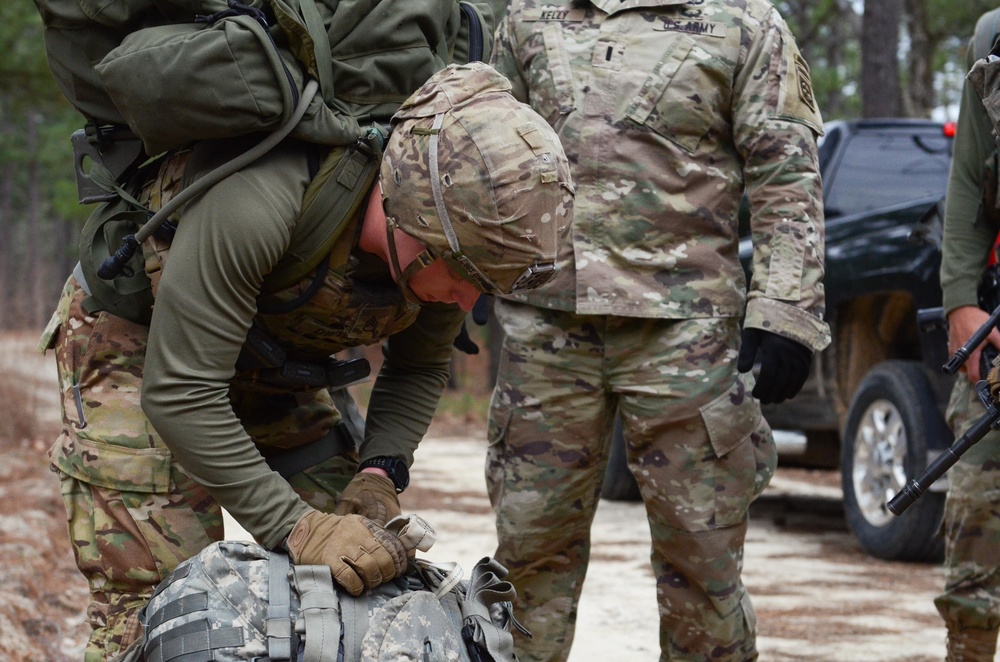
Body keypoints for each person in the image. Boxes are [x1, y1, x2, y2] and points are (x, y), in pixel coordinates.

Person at [37, 61, 574, 661]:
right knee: (159, 605)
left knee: (363, 579)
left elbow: (418, 368)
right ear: (413, 217)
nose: (469, 300)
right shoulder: (259, 204)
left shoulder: (456, 250)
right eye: (466, 278)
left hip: (272, 365)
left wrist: (378, 477)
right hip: (141, 350)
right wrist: (299, 527)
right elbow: (182, 392)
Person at [483, 1, 829, 660]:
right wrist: (464, 261)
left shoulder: (745, 24)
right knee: (527, 559)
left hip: (686, 338)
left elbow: (785, 176)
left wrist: (785, 309)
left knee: (702, 568)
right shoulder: (531, 17)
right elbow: (487, 148)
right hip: (548, 333)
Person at [937, 8, 1000, 661]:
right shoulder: (995, 40)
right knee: (977, 506)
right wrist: (960, 300)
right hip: (995, 320)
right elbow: (968, 179)